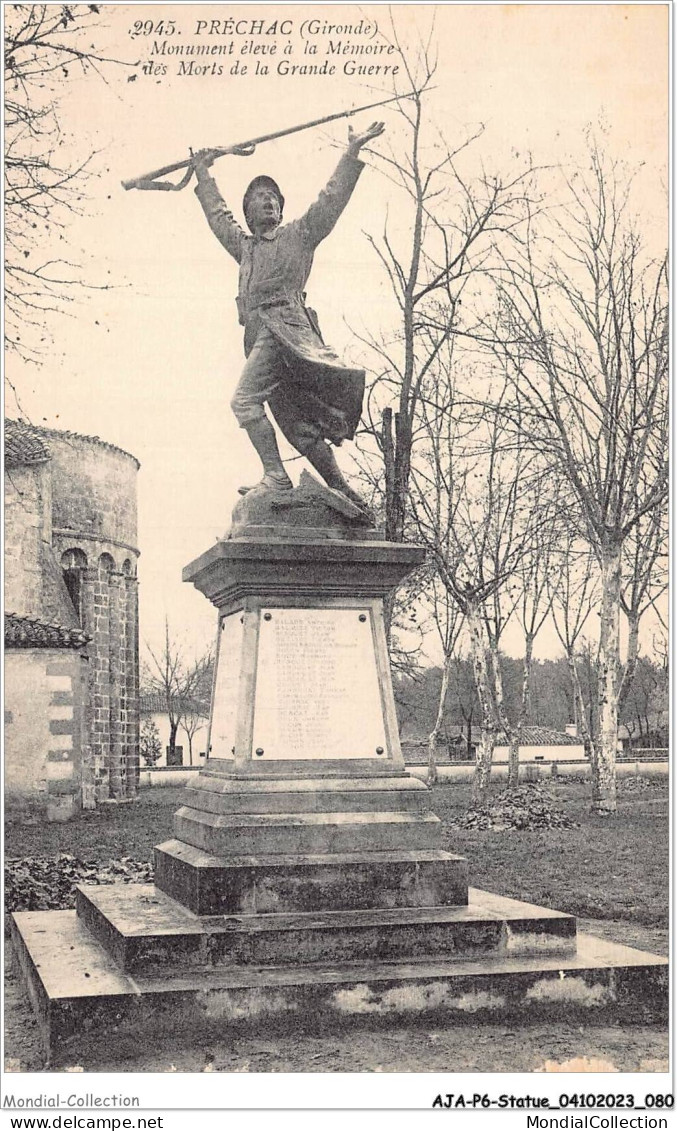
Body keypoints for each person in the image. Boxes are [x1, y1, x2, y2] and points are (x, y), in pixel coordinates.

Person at [191, 121, 385, 514]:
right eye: (260, 198)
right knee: (298, 428)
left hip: (288, 337)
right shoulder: (245, 248)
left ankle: (276, 476)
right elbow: (217, 217)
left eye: (273, 198)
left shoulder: (298, 235)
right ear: (248, 212)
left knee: (244, 401)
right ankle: (343, 490)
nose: (268, 203)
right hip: (265, 341)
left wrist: (350, 155)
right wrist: (202, 172)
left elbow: (329, 201)